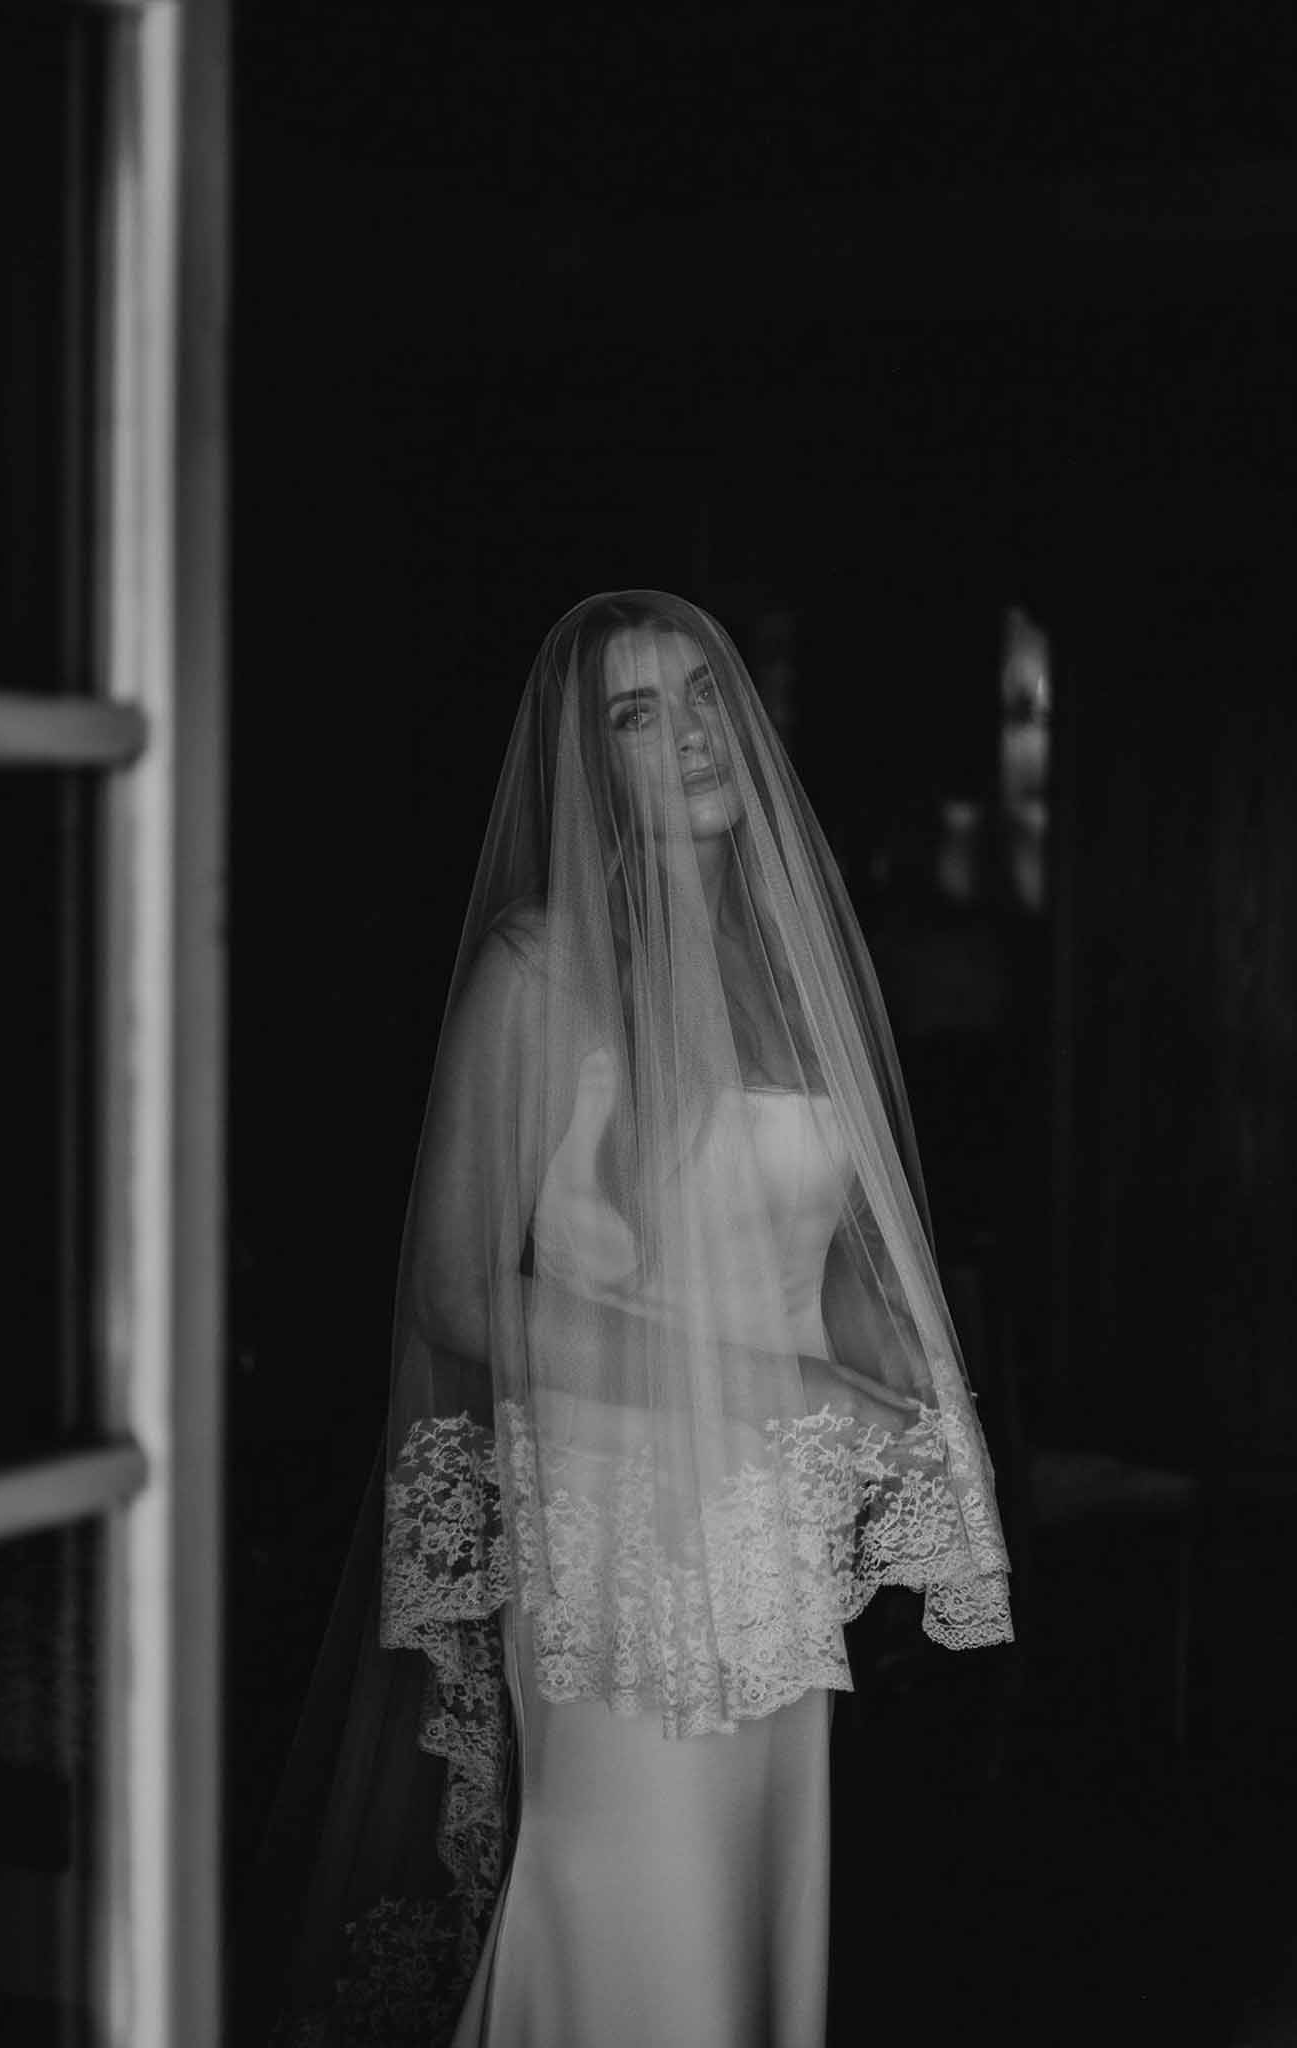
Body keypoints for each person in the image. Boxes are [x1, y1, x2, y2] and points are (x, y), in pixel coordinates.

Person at [252, 591, 1013, 2048]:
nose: (689, 733)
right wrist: (784, 1377)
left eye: (704, 692)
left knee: (749, 1933)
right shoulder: (539, 967)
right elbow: (458, 1293)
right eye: (634, 713)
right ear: (589, 764)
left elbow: (811, 1244)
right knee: (630, 1933)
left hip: (772, 1541)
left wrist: (903, 1376)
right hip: (623, 1545)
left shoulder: (788, 973)